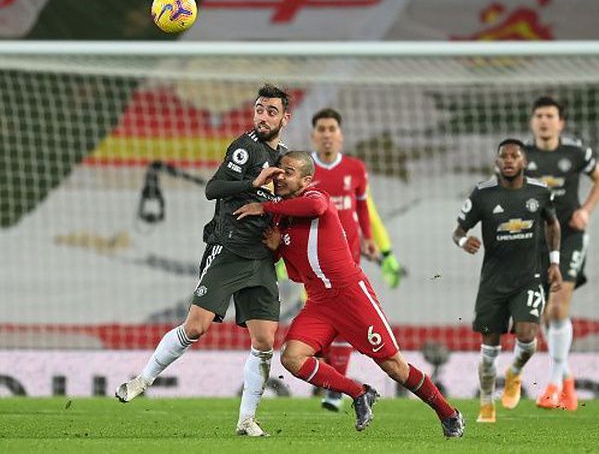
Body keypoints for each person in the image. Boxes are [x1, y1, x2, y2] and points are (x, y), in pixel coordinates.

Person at [234, 151, 464, 437]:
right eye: (279, 171)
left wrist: (265, 207)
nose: (281, 176)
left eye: (288, 172)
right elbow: (295, 274)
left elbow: (316, 208)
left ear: (306, 179)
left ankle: (448, 413)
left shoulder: (317, 195)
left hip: (351, 296)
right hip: (319, 303)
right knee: (292, 358)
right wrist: (278, 249)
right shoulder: (282, 220)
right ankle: (359, 393)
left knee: (394, 366)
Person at [115, 84, 291, 437]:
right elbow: (213, 188)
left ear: (285, 118)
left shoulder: (285, 158)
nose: (263, 116)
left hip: (260, 258)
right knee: (196, 327)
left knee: (265, 341)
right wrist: (253, 182)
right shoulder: (245, 149)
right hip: (227, 248)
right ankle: (143, 379)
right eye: (259, 108)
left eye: (271, 111)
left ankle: (246, 420)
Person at [453, 139, 562, 423]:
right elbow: (458, 231)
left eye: (515, 156)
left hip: (529, 277)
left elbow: (553, 224)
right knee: (489, 348)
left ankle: (514, 373)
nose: (510, 160)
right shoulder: (482, 194)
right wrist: (464, 240)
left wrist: (554, 262)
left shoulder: (539, 192)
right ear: (497, 162)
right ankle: (486, 404)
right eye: (504, 156)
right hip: (493, 283)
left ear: (524, 162)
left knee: (527, 336)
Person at [308, 107, 402, 411]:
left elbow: (363, 208)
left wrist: (371, 240)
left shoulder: (355, 169)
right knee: (322, 326)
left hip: (349, 259)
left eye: (331, 128)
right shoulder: (305, 170)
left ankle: (335, 389)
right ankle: (333, 381)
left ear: (340, 134)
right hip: (314, 263)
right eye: (321, 129)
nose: (326, 134)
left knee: (345, 322)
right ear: (314, 135)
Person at [524, 97, 599, 411]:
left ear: (561, 122)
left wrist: (585, 211)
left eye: (550, 116)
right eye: (539, 115)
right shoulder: (520, 155)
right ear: (532, 121)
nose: (544, 121)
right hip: (535, 241)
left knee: (559, 309)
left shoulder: (576, 153)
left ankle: (554, 385)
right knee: (544, 315)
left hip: (570, 237)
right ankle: (569, 381)